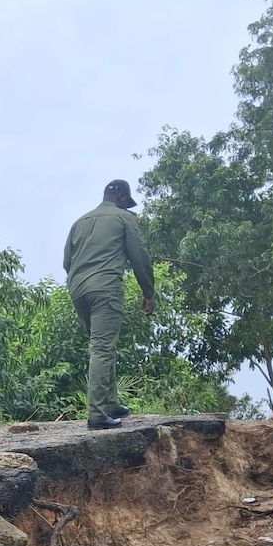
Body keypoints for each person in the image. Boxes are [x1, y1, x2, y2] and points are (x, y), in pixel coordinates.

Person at [63, 178, 156, 430]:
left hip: (77, 289)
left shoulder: (79, 222)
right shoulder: (124, 219)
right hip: (105, 288)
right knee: (103, 348)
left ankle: (110, 403)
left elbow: (67, 262)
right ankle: (97, 415)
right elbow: (140, 257)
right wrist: (148, 293)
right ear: (122, 199)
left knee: (103, 344)